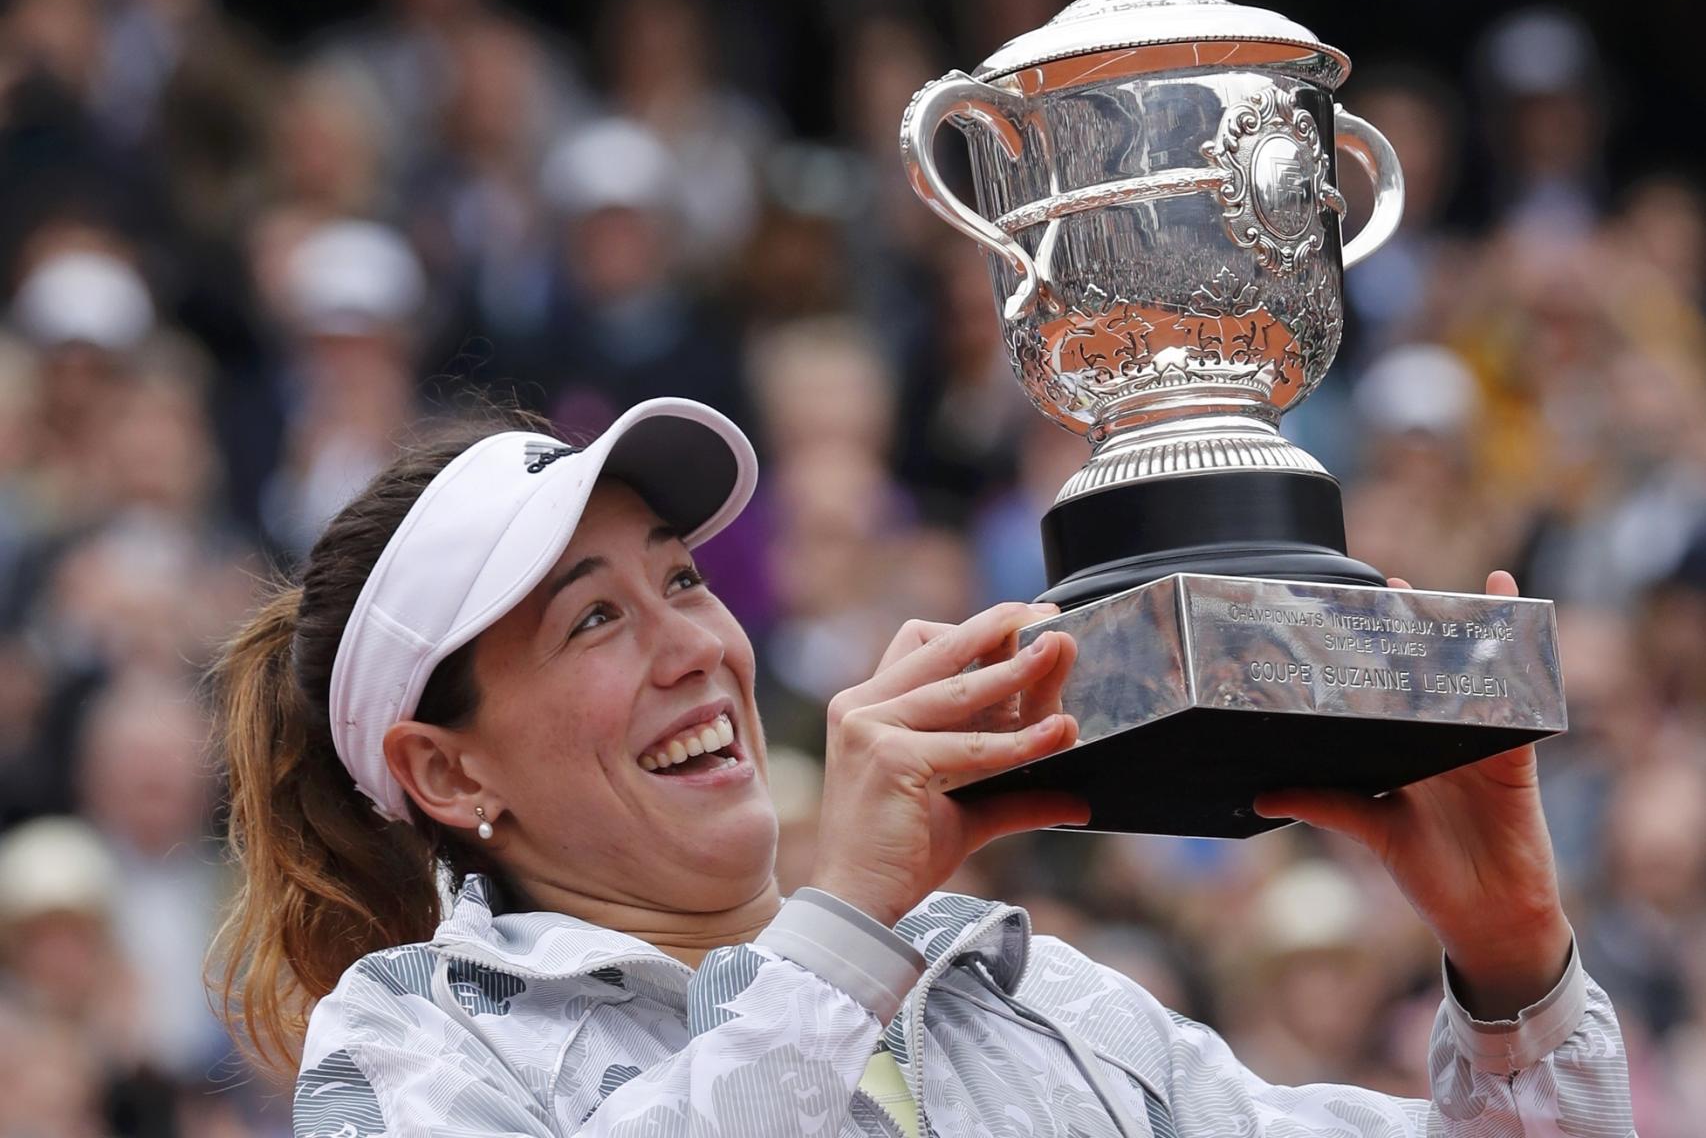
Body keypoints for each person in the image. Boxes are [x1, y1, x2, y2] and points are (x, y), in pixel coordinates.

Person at [210, 397, 1631, 1136]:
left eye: (685, 580)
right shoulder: (412, 1049)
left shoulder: (1026, 994)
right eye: (593, 618)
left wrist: (1513, 985)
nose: (692, 647)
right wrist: (836, 940)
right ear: (447, 776)